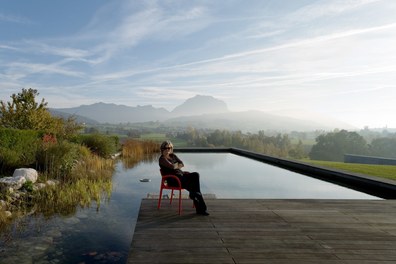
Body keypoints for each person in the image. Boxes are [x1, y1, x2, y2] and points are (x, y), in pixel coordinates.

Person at [159, 140, 209, 216]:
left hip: (181, 176)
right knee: (194, 189)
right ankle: (200, 207)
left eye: (170, 147)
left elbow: (182, 164)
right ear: (163, 148)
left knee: (196, 175)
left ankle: (195, 196)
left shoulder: (173, 156)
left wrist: (176, 166)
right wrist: (176, 165)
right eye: (167, 147)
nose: (169, 149)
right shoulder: (162, 159)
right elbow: (172, 167)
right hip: (173, 180)